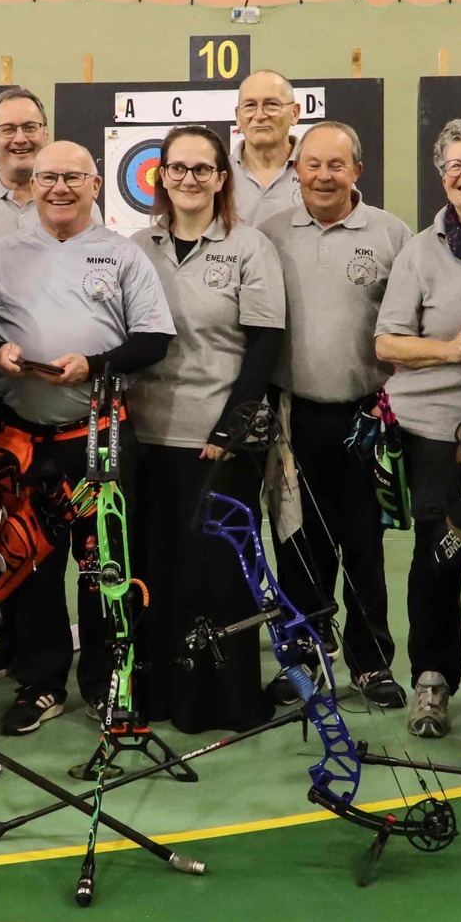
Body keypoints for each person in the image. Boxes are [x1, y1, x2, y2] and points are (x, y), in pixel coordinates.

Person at [0, 141, 175, 736]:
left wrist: (93, 364)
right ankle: (40, 682)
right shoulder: (0, 255)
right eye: (48, 177)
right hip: (22, 439)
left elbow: (154, 339)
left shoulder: (123, 254)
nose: (59, 188)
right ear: (32, 185)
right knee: (30, 562)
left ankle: (106, 684)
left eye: (73, 178)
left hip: (96, 439)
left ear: (95, 185)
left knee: (102, 563)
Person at [128, 126, 286, 734]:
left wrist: (229, 430)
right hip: (147, 437)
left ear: (222, 177)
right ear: (161, 176)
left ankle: (223, 701)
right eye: (177, 168)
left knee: (218, 574)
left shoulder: (250, 247)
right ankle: (161, 696)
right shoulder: (137, 247)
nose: (189, 178)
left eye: (202, 168)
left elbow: (265, 346)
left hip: (217, 441)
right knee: (157, 571)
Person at [259, 121, 412, 710]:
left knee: (364, 545)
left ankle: (371, 664)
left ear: (358, 171)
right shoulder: (269, 234)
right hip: (292, 419)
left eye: (336, 165)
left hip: (367, 420)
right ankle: (302, 657)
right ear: (296, 170)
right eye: (313, 164)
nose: (324, 176)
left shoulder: (392, 234)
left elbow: (412, 324)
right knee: (298, 542)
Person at [375, 117, 461, 738]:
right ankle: (432, 679)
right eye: (454, 165)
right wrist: (456, 351)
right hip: (435, 432)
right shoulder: (419, 251)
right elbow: (388, 344)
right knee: (439, 556)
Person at [0, 88, 100, 273]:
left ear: (45, 135)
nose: (20, 138)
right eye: (8, 130)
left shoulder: (82, 207)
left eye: (29, 128)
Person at [232, 70, 303, 227]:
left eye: (271, 105)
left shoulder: (320, 173)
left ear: (294, 113)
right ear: (238, 116)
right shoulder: (217, 176)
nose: (259, 115)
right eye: (250, 106)